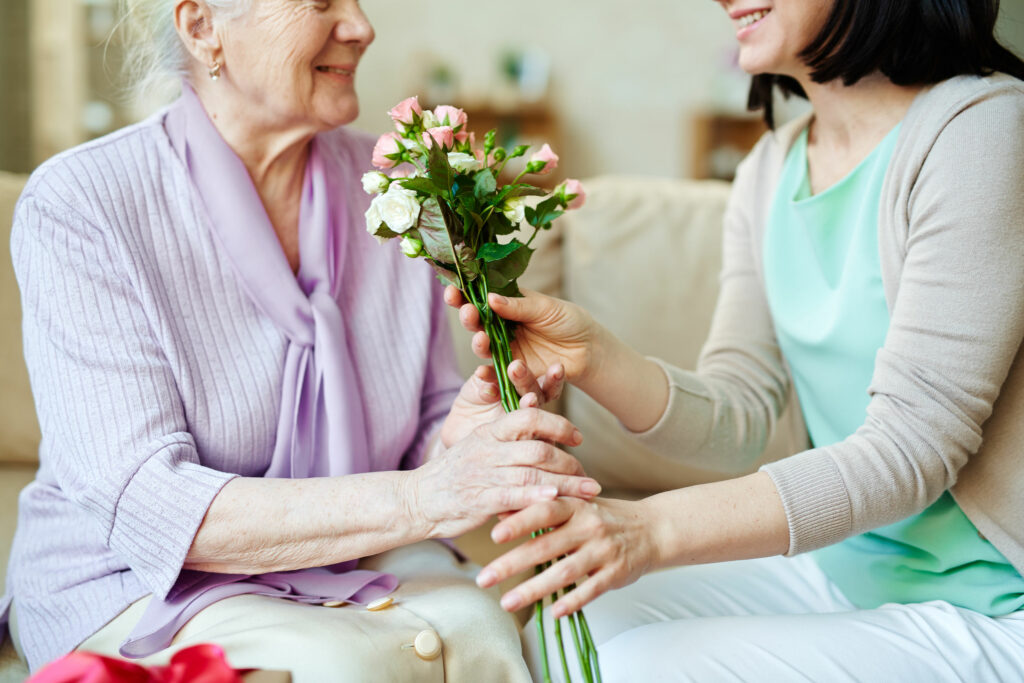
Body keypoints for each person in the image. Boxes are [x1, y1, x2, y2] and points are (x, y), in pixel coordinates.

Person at [0, 0, 602, 680]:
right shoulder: (83, 203)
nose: (361, 26)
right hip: (134, 580)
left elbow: (425, 437)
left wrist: (466, 436)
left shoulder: (404, 193)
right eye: (321, 2)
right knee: (361, 663)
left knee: (481, 629)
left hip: (355, 555)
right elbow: (150, 505)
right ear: (202, 29)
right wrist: (430, 494)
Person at [449, 0, 1024, 679]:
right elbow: (740, 416)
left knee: (636, 668)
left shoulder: (984, 128)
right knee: (573, 624)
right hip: (843, 566)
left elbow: (913, 449)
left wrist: (650, 529)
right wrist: (596, 358)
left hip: (991, 601)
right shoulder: (771, 169)